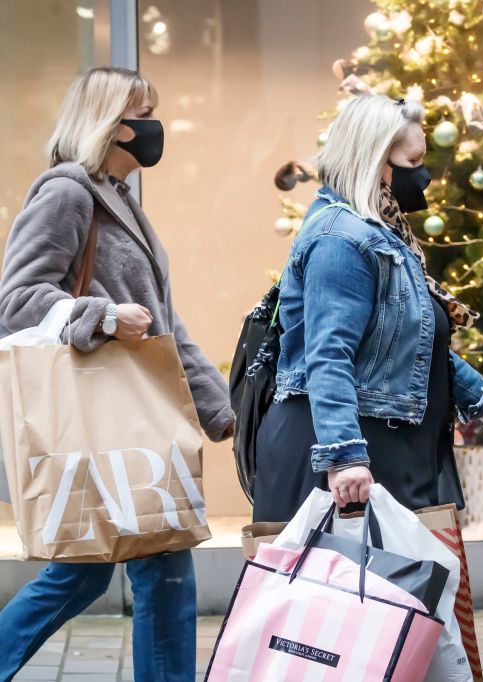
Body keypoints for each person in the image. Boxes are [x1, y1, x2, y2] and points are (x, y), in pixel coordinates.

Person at [0, 67, 233, 682]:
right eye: (143, 112)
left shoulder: (120, 201)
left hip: (134, 415)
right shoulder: (68, 192)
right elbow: (15, 301)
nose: (154, 126)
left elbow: (165, 327)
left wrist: (222, 410)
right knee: (148, 566)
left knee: (97, 569)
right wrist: (99, 315)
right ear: (109, 122)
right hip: (105, 418)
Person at [252, 94, 483, 521]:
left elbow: (404, 339)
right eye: (413, 161)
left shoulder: (380, 232)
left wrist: (482, 399)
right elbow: (328, 354)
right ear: (375, 160)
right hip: (346, 457)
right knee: (339, 587)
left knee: (393, 587)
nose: (424, 175)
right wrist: (344, 456)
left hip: (381, 444)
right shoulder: (340, 240)